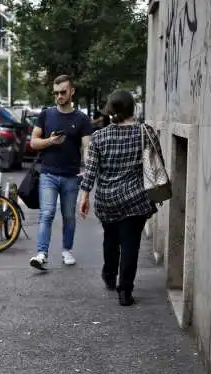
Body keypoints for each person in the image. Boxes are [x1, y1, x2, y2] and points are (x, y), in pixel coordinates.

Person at [78, 90, 158, 306]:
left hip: (107, 199)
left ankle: (109, 273)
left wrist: (84, 196)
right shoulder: (145, 132)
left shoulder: (99, 137)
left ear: (111, 109)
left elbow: (91, 170)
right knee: (131, 244)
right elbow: (153, 165)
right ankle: (125, 291)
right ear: (132, 108)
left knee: (110, 239)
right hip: (135, 198)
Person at [28, 75, 94, 270]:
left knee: (69, 216)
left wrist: (88, 174)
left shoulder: (82, 119)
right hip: (48, 174)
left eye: (63, 92)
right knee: (46, 214)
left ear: (72, 91)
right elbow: (33, 142)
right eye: (56, 93)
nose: (59, 96)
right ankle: (41, 254)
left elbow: (87, 150)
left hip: (71, 176)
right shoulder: (46, 115)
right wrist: (50, 141)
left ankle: (67, 250)